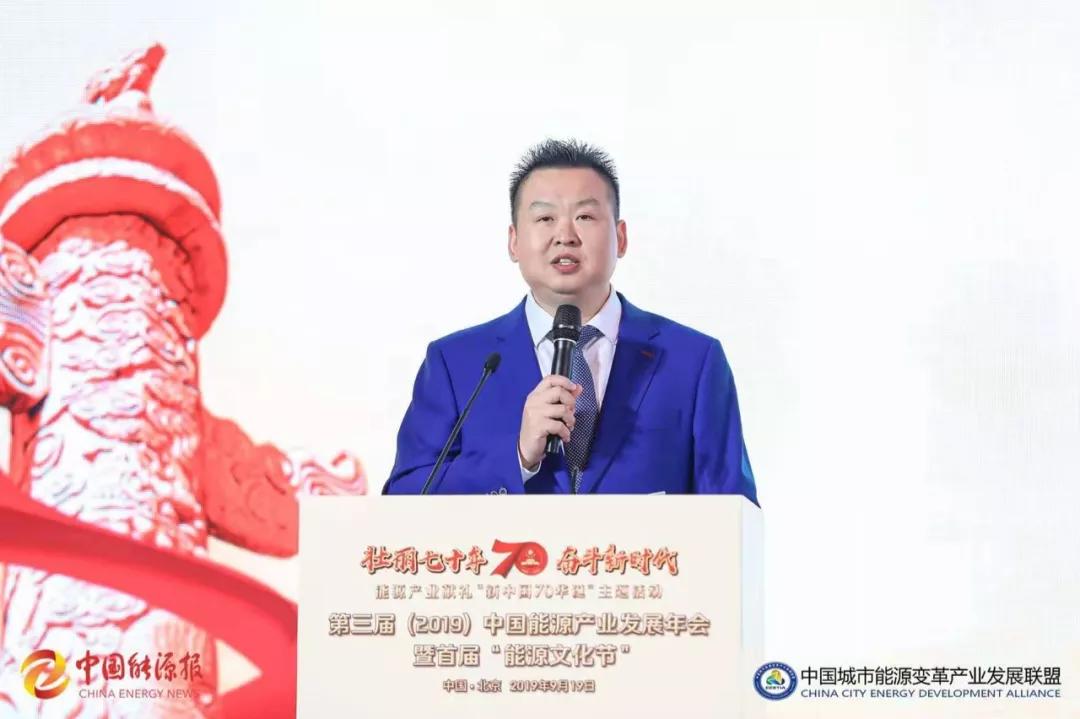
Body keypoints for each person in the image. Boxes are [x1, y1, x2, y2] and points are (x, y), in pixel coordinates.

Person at [383, 139, 757, 503]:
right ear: (514, 241)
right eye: (545, 218)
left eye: (585, 217)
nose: (565, 236)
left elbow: (733, 516)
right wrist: (516, 457)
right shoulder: (457, 363)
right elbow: (404, 500)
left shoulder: (693, 361)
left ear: (621, 238)